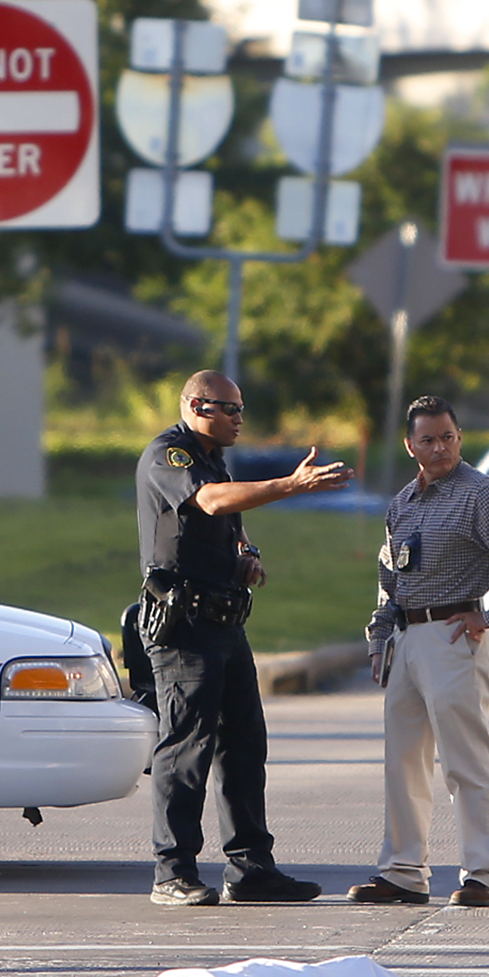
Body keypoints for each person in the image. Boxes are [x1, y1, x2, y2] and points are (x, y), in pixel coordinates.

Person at [135, 370, 355, 906]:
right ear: (194, 405)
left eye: (241, 409)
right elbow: (209, 502)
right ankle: (173, 872)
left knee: (244, 747)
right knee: (186, 748)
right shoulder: (171, 455)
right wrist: (289, 485)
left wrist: (246, 554)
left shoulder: (213, 456)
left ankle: (251, 869)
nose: (238, 418)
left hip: (225, 623)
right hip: (184, 627)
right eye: (227, 409)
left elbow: (225, 516)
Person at [349, 397, 489, 907]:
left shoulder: (481, 495)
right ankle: (403, 871)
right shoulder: (403, 503)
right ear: (410, 445)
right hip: (408, 640)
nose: (440, 448)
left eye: (449, 437)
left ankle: (482, 873)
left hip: (455, 634)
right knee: (404, 762)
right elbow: (389, 578)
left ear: (460, 438)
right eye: (429, 439)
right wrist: (379, 638)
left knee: (466, 761)